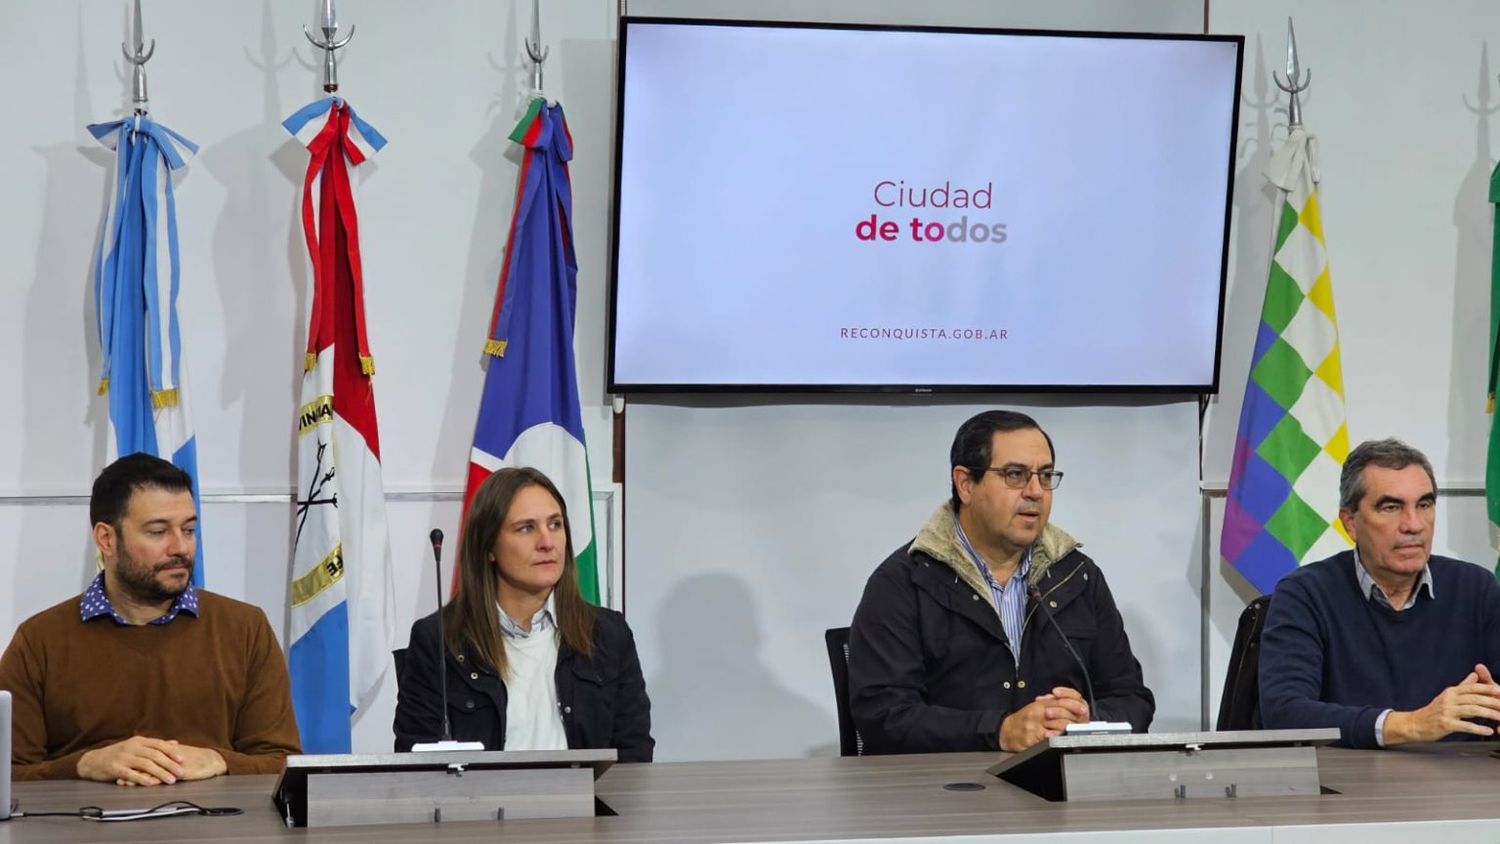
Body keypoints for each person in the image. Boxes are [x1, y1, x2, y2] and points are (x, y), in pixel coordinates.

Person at [847, 410, 1154, 754]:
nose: (1036, 491)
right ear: (966, 484)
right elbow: (884, 717)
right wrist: (999, 732)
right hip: (944, 794)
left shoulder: (1077, 576)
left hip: (1056, 791)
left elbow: (1133, 699)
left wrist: (1086, 721)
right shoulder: (902, 583)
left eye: (1046, 475)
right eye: (1015, 475)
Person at [0, 453, 301, 783]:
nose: (180, 547)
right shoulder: (40, 641)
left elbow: (280, 762)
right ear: (106, 539)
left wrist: (219, 760)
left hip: (212, 830)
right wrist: (83, 765)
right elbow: (9, 773)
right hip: (85, 831)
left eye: (188, 529)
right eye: (158, 532)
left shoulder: (245, 628)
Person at [393, 467, 654, 761]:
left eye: (555, 525)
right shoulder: (440, 640)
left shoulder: (608, 634)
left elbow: (634, 756)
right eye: (526, 528)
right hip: (482, 805)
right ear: (489, 546)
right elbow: (414, 758)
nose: (547, 542)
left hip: (586, 805)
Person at [1259, 438, 1500, 747]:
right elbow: (1285, 713)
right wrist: (1410, 725)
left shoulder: (1475, 589)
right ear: (1350, 523)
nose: (1413, 525)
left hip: (1456, 786)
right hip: (1349, 788)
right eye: (1391, 507)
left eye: (1424, 505)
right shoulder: (1306, 594)